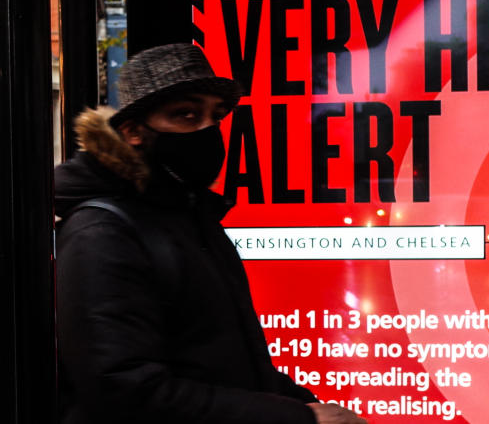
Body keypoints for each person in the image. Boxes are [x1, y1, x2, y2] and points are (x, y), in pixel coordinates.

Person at [54, 43, 366, 424]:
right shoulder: (102, 232)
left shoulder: (190, 217)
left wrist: (303, 405)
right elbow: (124, 388)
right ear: (133, 131)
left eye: (215, 116)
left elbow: (223, 361)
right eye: (185, 114)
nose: (207, 130)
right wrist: (299, 418)